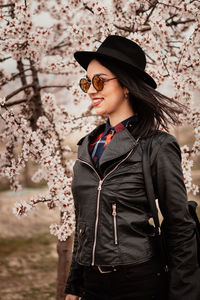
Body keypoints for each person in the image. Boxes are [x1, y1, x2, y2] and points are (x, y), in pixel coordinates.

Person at [65, 35, 200, 300]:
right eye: (86, 82)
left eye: (99, 80)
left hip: (139, 283)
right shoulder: (85, 148)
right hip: (91, 286)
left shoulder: (157, 146)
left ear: (126, 85)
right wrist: (74, 285)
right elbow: (84, 224)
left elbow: (180, 227)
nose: (91, 90)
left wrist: (183, 293)